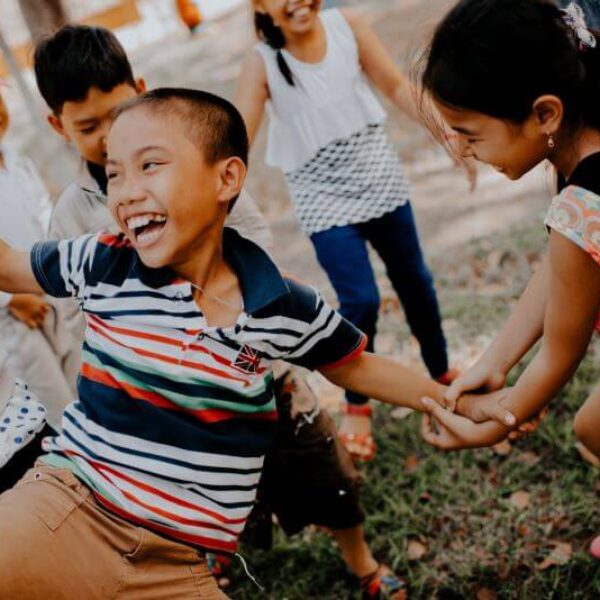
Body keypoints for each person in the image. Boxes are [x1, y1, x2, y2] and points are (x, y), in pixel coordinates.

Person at [0, 87, 497, 597]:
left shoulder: (279, 304)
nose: (124, 191)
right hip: (67, 505)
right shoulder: (102, 260)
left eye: (149, 166)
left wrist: (446, 400)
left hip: (177, 566)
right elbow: (11, 267)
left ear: (227, 177)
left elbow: (355, 367)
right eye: (114, 173)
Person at [33, 25, 407, 597]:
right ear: (59, 127)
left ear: (142, 87)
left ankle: (363, 564)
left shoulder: (197, 167)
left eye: (119, 114)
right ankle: (200, 567)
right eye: (89, 129)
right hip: (168, 409)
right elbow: (80, 306)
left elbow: (253, 239)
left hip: (260, 374)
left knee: (322, 474)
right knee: (189, 507)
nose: (111, 138)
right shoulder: (75, 215)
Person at [414, 0, 600, 559]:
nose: (462, 150)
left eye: (470, 134)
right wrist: (493, 362)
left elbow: (557, 358)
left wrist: (498, 421)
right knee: (592, 429)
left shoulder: (585, 200)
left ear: (545, 113)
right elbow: (563, 267)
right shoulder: (585, 154)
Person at [235, 0, 458, 462]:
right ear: (259, 5)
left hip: (380, 180)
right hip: (323, 199)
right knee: (360, 300)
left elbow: (396, 85)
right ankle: (358, 401)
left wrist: (446, 132)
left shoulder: (348, 27)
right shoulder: (263, 62)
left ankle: (441, 377)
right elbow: (238, 136)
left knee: (415, 281)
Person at [0, 87, 75, 428]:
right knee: (52, 410)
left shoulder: (16, 161)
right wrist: (10, 299)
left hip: (49, 290)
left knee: (82, 385)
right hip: (14, 315)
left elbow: (42, 216)